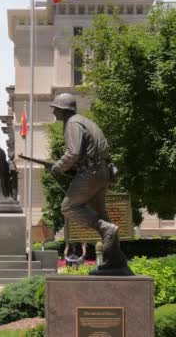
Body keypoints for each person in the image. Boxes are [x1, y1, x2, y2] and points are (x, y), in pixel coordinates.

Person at [48, 93, 131, 274]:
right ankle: (115, 260)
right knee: (102, 214)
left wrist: (57, 167)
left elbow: (73, 153)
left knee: (68, 207)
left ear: (63, 110)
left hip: (90, 173)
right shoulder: (86, 122)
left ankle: (105, 230)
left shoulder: (72, 123)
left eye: (55, 108)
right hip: (103, 172)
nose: (53, 111)